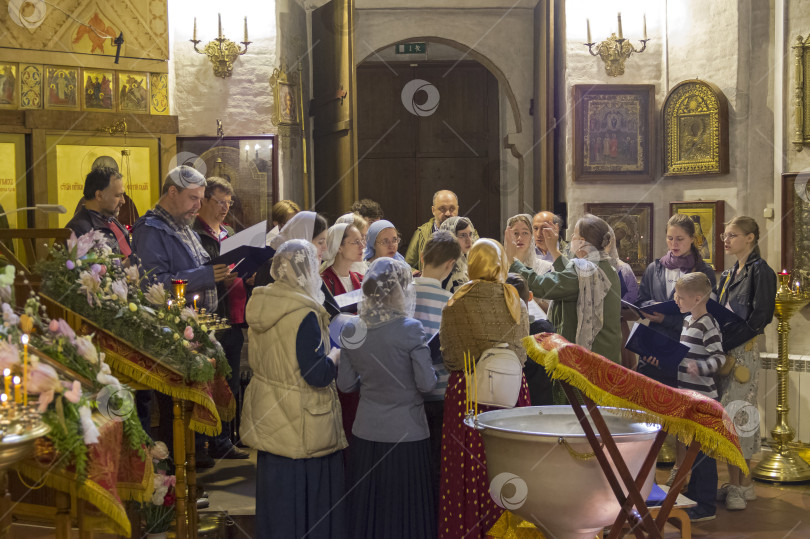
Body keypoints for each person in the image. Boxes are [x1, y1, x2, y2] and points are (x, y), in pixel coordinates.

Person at [241, 240, 346, 539]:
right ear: (306, 270)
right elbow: (316, 374)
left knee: (277, 507)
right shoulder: (305, 313)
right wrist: (335, 356)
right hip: (302, 422)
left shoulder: (262, 303)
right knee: (305, 510)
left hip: (272, 418)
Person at [131, 166, 231, 466]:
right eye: (192, 198)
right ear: (171, 192)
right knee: (176, 406)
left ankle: (189, 463)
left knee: (189, 405)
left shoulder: (183, 224)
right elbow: (153, 284)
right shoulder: (151, 229)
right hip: (169, 333)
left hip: (193, 330)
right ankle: (179, 476)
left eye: (201, 199)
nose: (198, 206)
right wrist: (204, 276)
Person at [338, 257, 437, 538]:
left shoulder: (351, 328)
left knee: (371, 508)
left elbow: (345, 384)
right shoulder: (410, 328)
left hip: (367, 431)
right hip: (407, 432)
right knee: (405, 510)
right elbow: (427, 383)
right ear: (399, 291)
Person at [438, 239, 531, 539]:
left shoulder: (457, 300)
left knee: (468, 469)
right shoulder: (515, 299)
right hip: (511, 391)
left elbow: (451, 357)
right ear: (502, 264)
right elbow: (524, 353)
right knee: (511, 466)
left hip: (469, 392)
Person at [714, 216, 776, 511]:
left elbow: (760, 317)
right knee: (727, 417)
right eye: (725, 235)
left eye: (733, 235)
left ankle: (739, 485)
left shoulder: (761, 272)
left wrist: (727, 342)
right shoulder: (727, 274)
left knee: (739, 417)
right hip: (726, 349)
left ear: (750, 238)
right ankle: (742, 481)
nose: (726, 240)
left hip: (743, 352)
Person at [507, 214, 622, 366]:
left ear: (581, 242)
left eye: (574, 234)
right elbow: (571, 275)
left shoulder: (585, 272)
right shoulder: (605, 267)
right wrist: (553, 250)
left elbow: (539, 284)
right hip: (606, 355)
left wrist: (511, 260)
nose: (571, 238)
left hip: (589, 361)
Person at [192, 177, 249, 460]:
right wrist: (220, 279)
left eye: (229, 203)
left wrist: (247, 272)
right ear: (203, 201)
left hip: (234, 317)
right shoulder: (194, 234)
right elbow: (200, 274)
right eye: (220, 202)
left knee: (229, 380)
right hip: (208, 318)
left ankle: (224, 439)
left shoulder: (228, 233)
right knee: (206, 382)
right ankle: (202, 442)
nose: (225, 208)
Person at [668, 272, 725, 522]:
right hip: (689, 396)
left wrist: (699, 367)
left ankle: (706, 505)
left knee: (704, 454)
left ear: (698, 297)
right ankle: (695, 496)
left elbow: (720, 358)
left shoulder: (707, 323)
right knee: (694, 450)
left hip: (705, 400)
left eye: (680, 297)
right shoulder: (687, 321)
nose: (675, 300)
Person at [636, 213, 717, 387]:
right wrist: (651, 307)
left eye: (680, 238)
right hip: (654, 345)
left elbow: (706, 316)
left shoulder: (703, 272)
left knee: (678, 408)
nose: (674, 244)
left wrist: (665, 318)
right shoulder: (654, 268)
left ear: (692, 239)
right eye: (670, 238)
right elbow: (641, 300)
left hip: (685, 350)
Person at [412, 231, 460, 504]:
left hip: (410, 393)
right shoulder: (449, 302)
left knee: (416, 466)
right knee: (438, 464)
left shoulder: (404, 294)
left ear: (421, 257)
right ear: (450, 264)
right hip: (442, 393)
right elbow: (452, 354)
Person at [506, 273, 555, 406]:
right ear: (530, 296)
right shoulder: (547, 329)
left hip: (512, 404)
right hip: (544, 403)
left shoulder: (502, 335)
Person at [66, 166, 132, 256]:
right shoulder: (80, 230)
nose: (123, 201)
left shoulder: (111, 220)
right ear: (99, 195)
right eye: (118, 195)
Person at [405, 190, 478, 271]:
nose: (448, 213)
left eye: (452, 209)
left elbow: (479, 262)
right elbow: (407, 265)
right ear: (433, 210)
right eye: (442, 209)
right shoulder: (421, 233)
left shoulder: (470, 233)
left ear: (457, 209)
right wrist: (417, 274)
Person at [320, 223, 365, 299]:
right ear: (339, 247)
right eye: (356, 242)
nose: (362, 246)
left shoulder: (361, 279)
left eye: (362, 240)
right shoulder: (324, 282)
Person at [439, 216, 474, 293]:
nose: (469, 240)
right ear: (451, 238)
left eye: (470, 234)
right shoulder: (447, 272)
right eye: (463, 235)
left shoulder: (469, 262)